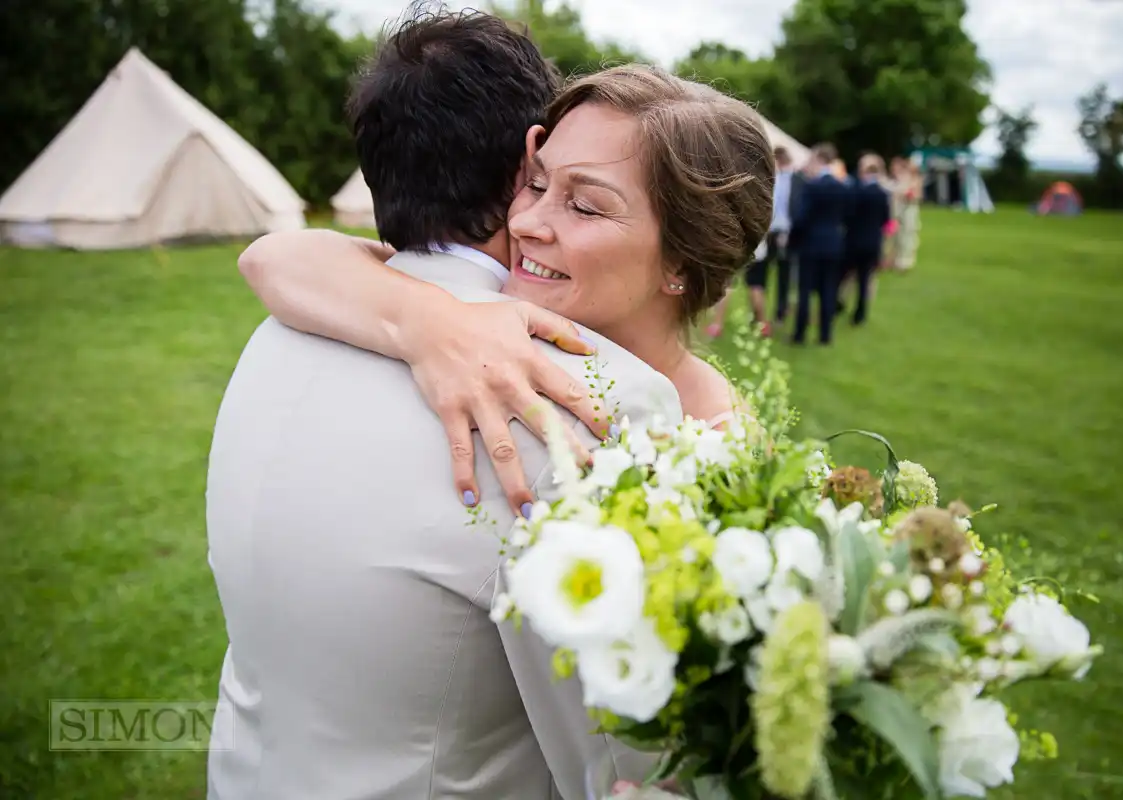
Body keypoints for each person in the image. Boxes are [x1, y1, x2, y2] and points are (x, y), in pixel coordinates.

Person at [208, 10, 774, 800]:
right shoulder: (554, 389)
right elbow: (615, 764)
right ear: (519, 163)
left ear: (682, 261)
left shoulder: (281, 332)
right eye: (538, 186)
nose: (534, 220)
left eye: (582, 202)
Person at [706, 146, 794, 337]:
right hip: (759, 238)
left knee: (730, 283)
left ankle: (718, 324)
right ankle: (762, 324)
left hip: (743, 237)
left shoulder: (744, 180)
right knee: (755, 284)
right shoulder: (773, 183)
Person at [788, 142, 849, 345]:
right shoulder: (841, 186)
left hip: (811, 244)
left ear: (820, 159)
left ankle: (800, 333)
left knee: (805, 289)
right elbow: (846, 215)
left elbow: (801, 218)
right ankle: (825, 334)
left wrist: (793, 239)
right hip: (833, 244)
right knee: (828, 289)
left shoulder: (812, 186)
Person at [842, 153, 891, 325]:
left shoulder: (857, 191)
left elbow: (848, 215)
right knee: (864, 280)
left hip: (854, 240)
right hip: (873, 242)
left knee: (843, 273)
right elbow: (886, 219)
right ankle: (860, 314)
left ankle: (837, 303)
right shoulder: (883, 194)